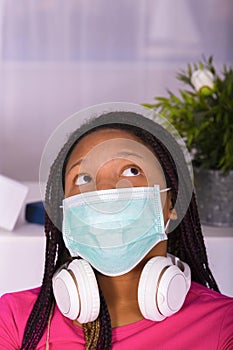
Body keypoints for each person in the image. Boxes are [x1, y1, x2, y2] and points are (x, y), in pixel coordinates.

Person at [0, 103, 232, 350]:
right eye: (83, 178)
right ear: (64, 209)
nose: (105, 190)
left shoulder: (223, 325)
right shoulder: (15, 320)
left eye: (131, 171)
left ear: (171, 201)